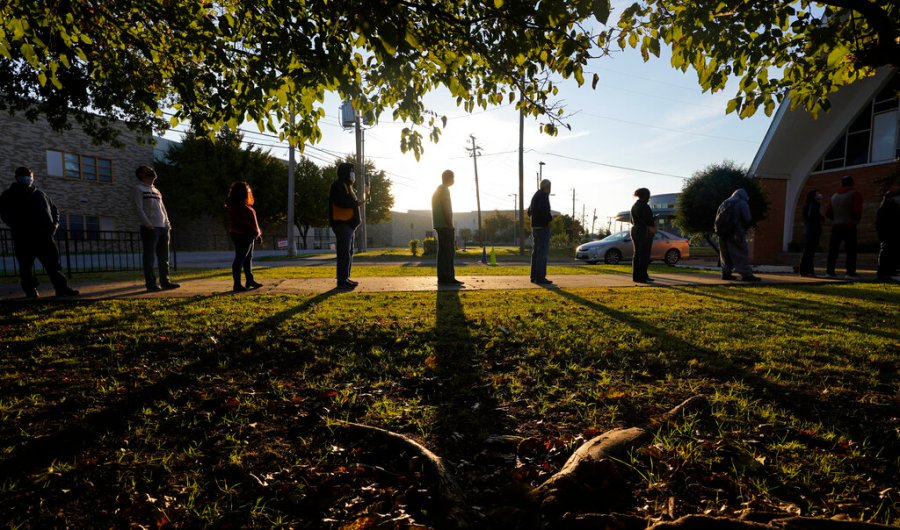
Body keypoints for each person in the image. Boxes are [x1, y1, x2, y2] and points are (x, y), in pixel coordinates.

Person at [0, 167, 79, 298]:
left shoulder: (41, 194)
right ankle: (31, 291)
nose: (28, 178)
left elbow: (55, 211)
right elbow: (5, 215)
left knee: (53, 265)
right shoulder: (8, 195)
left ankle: (61, 289)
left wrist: (55, 224)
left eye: (30, 176)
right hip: (23, 238)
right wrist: (19, 227)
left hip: (45, 237)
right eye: (24, 176)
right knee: (26, 267)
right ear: (17, 177)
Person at [135, 165, 179, 291]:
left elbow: (163, 208)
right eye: (147, 170)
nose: (151, 171)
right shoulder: (138, 189)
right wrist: (148, 224)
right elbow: (138, 208)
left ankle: (165, 281)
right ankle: (151, 284)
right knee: (149, 257)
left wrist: (167, 224)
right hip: (150, 228)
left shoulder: (156, 190)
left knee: (164, 257)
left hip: (163, 228)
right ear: (141, 175)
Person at [329, 162, 364, 289]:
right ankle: (342, 280)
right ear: (345, 172)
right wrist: (356, 203)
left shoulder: (347, 186)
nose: (353, 174)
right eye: (351, 171)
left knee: (348, 252)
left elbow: (348, 202)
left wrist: (356, 202)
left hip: (348, 225)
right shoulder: (339, 185)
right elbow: (341, 202)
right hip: (342, 223)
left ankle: (345, 278)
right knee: (344, 252)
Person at [715, 188, 761, 282]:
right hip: (735, 233)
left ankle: (726, 273)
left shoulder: (724, 203)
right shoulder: (741, 203)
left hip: (722, 233)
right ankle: (746, 274)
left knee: (725, 255)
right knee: (740, 253)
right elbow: (747, 218)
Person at [226, 181, 263, 292]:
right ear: (242, 192)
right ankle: (237, 285)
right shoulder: (238, 206)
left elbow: (251, 222)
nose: (249, 192)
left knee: (248, 258)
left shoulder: (243, 205)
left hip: (248, 235)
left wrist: (257, 234)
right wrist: (255, 233)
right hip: (242, 235)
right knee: (240, 258)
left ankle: (249, 280)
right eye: (247, 190)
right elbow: (245, 223)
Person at [825, 175, 863, 279]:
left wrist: (836, 219)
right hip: (849, 225)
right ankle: (850, 273)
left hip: (836, 226)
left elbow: (828, 213)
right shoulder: (855, 194)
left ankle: (829, 272)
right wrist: (856, 219)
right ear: (852, 183)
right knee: (851, 250)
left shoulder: (834, 196)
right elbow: (857, 210)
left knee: (833, 250)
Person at [432, 169, 462, 286]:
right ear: (448, 178)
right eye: (453, 177)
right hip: (445, 225)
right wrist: (450, 224)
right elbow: (445, 207)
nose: (454, 180)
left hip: (439, 224)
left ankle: (443, 277)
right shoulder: (444, 190)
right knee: (449, 252)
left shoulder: (438, 189)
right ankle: (449, 277)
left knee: (443, 252)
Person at [528, 179, 553, 285]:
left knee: (536, 253)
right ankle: (540, 277)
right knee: (542, 253)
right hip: (542, 227)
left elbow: (529, 211)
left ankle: (534, 276)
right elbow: (543, 209)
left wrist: (535, 218)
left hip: (535, 227)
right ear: (547, 187)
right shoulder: (543, 195)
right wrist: (549, 218)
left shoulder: (536, 195)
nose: (550, 189)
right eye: (550, 187)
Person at [630, 187, 654, 283]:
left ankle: (637, 276)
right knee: (644, 254)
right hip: (644, 232)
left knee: (637, 254)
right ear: (645, 196)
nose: (649, 198)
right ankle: (642, 276)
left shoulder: (634, 206)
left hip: (635, 230)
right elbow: (649, 221)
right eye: (648, 195)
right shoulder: (645, 206)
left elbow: (632, 221)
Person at [798, 189, 823, 277]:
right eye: (817, 194)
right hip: (813, 231)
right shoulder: (814, 205)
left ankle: (805, 270)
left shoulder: (807, 205)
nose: (819, 195)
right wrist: (820, 218)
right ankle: (807, 271)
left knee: (808, 252)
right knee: (810, 252)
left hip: (808, 231)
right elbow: (812, 216)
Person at [875, 190, 899, 282]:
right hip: (891, 235)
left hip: (885, 235)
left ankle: (884, 272)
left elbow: (878, 224)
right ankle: (888, 272)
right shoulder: (893, 208)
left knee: (886, 254)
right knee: (890, 254)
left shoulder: (882, 208)